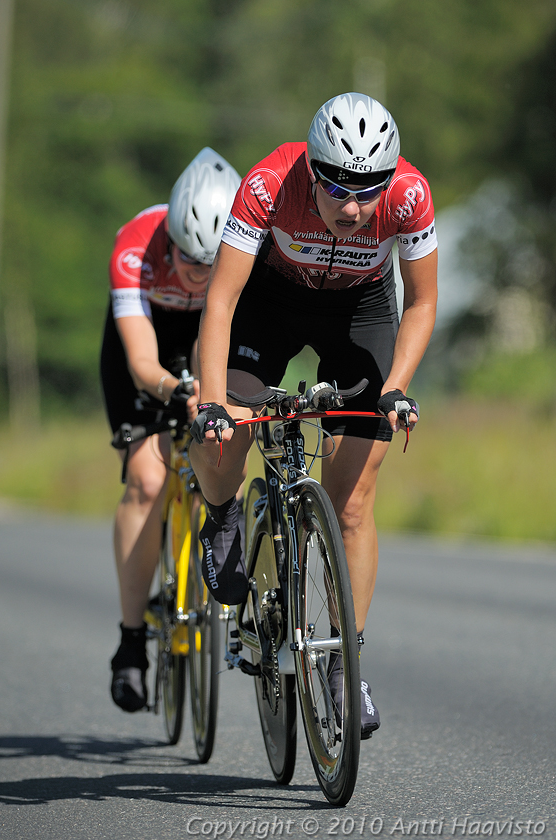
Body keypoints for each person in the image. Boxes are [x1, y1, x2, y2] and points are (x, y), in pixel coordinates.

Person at [188, 93, 438, 739]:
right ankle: (222, 515)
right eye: (337, 189)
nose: (353, 208)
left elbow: (420, 302)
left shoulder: (410, 195)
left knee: (352, 503)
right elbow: (221, 301)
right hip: (268, 303)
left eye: (368, 191)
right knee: (223, 436)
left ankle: (342, 661)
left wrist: (397, 388)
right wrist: (213, 404)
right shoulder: (269, 182)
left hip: (361, 311)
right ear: (312, 171)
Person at [100, 147, 241, 712]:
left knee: (225, 436)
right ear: (171, 239)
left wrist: (214, 396)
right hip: (149, 339)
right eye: (186, 259)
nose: (195, 273)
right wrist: (177, 391)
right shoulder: (136, 243)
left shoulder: (239, 252)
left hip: (213, 325)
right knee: (147, 480)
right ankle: (131, 640)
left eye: (209, 264)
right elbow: (140, 359)